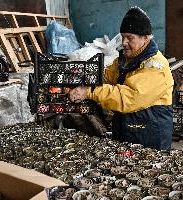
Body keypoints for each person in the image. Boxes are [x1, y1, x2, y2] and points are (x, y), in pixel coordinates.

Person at [69, 6, 174, 150]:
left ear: (145, 38)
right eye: (122, 37)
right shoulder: (127, 58)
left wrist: (89, 91)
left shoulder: (156, 66)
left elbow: (128, 97)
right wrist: (83, 79)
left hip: (150, 138)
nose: (124, 42)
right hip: (129, 131)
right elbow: (107, 76)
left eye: (130, 38)